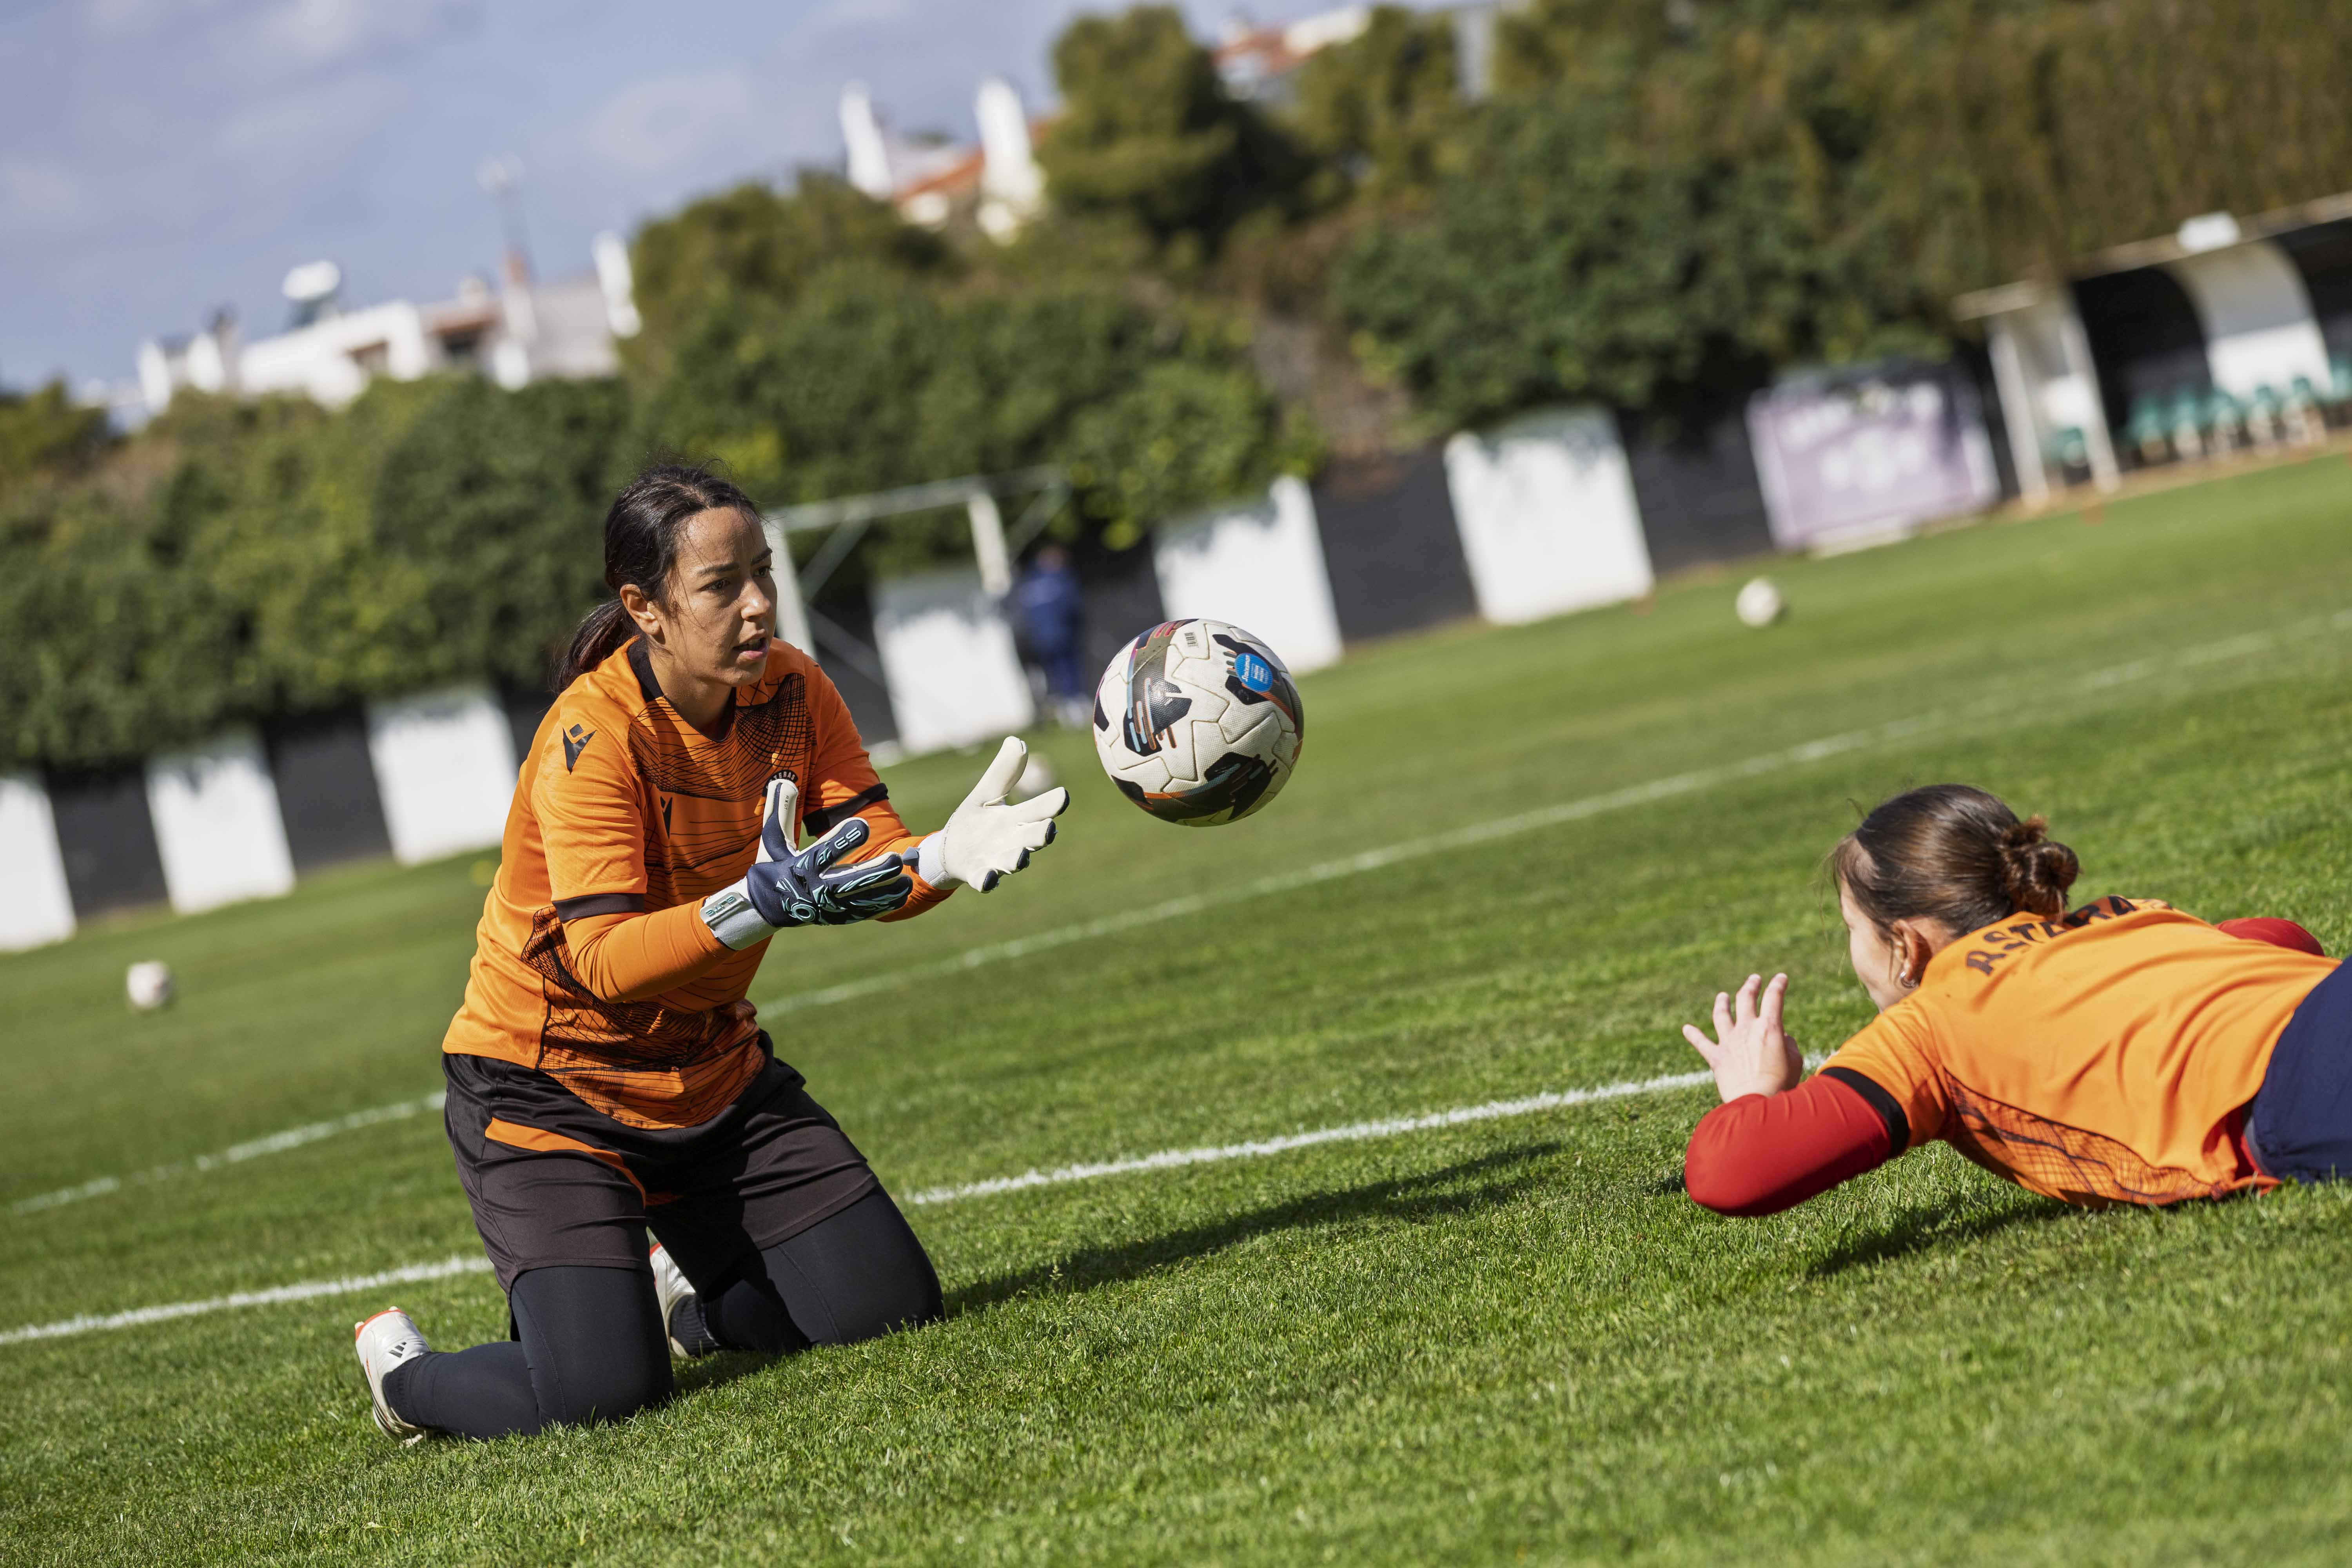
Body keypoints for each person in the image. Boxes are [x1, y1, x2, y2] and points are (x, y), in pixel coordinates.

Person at [351, 464, 1069, 1442]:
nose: (759, 602)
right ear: (644, 607)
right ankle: (405, 1378)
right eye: (722, 585)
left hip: (711, 1070)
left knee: (888, 1310)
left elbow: (868, 862)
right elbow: (604, 960)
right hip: (546, 1093)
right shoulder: (591, 734)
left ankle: (687, 1308)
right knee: (602, 1397)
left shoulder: (796, 689)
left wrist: (940, 856)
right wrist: (753, 904)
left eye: (761, 572)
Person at [1679, 784, 2341, 1217]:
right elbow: (2282, 936)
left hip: (2295, 1090)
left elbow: (1730, 1172)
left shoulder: (1930, 1027)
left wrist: (1751, 1092)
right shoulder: (2117, 913)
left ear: (1905, 945)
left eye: (1853, 929)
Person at [1011, 544, 1088, 726]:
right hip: (1060, 636)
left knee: (1054, 676)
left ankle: (1065, 712)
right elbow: (1073, 606)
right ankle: (1073, 711)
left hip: (1041, 640)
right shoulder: (1060, 579)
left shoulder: (1028, 581)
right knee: (1067, 673)